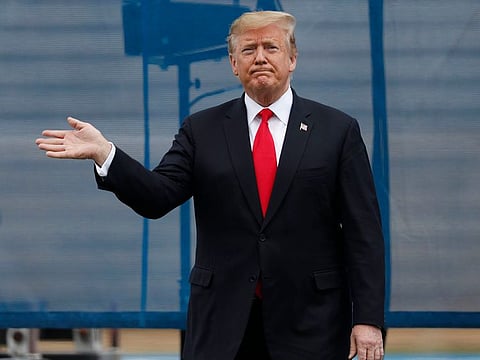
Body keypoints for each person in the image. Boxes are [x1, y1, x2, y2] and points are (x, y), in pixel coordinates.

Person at [36, 10, 385, 360]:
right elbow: (157, 197)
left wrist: (367, 319)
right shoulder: (202, 129)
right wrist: (106, 153)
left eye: (271, 47)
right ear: (234, 64)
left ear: (292, 58)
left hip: (311, 323)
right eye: (248, 50)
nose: (260, 57)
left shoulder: (337, 130)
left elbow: (363, 233)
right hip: (223, 325)